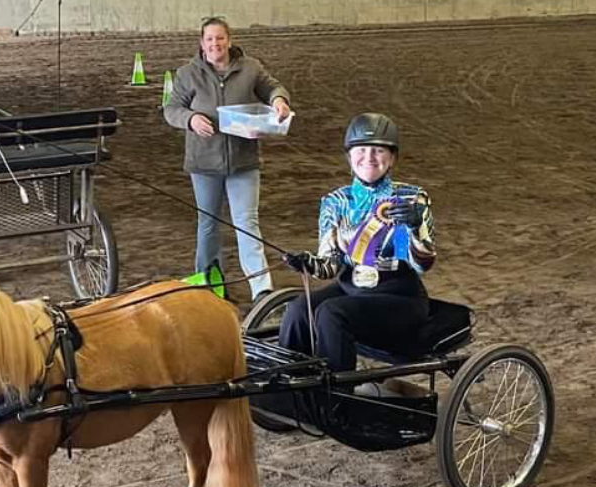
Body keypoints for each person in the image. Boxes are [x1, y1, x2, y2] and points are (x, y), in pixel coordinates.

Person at [278, 113, 436, 373]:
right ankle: (291, 389)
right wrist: (308, 262)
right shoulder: (336, 202)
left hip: (400, 297)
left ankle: (338, 404)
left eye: (378, 150)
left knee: (331, 314)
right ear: (349, 157)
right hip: (352, 289)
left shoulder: (411, 199)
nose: (369, 157)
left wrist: (415, 226)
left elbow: (422, 266)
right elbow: (330, 265)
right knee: (297, 310)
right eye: (361, 150)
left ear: (392, 157)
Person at [164, 16, 290, 303]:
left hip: (244, 161)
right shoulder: (187, 74)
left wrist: (279, 100)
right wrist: (191, 118)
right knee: (208, 223)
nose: (215, 44)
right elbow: (171, 109)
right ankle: (208, 282)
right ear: (201, 44)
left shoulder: (251, 68)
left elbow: (272, 87)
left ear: (229, 40)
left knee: (247, 221)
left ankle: (262, 289)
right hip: (203, 163)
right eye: (209, 39)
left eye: (220, 38)